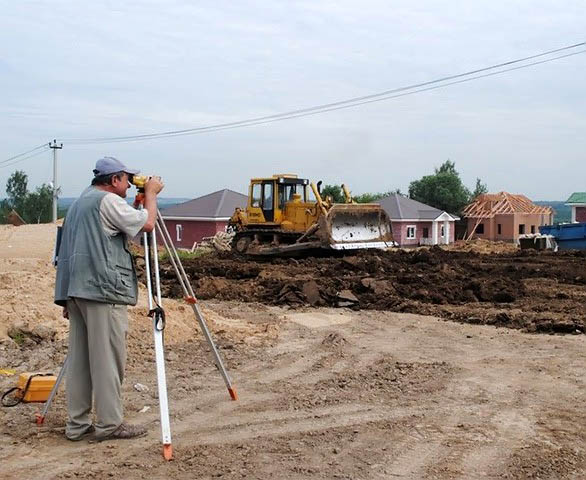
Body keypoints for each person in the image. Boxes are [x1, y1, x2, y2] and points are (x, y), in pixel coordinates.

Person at [54, 156, 164, 442]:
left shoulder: (80, 203)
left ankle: (77, 425)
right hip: (102, 291)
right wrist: (151, 194)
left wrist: (65, 296)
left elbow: (70, 247)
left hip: (76, 291)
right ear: (114, 180)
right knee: (107, 360)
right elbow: (148, 225)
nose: (129, 184)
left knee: (80, 361)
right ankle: (109, 424)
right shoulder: (108, 201)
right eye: (127, 179)